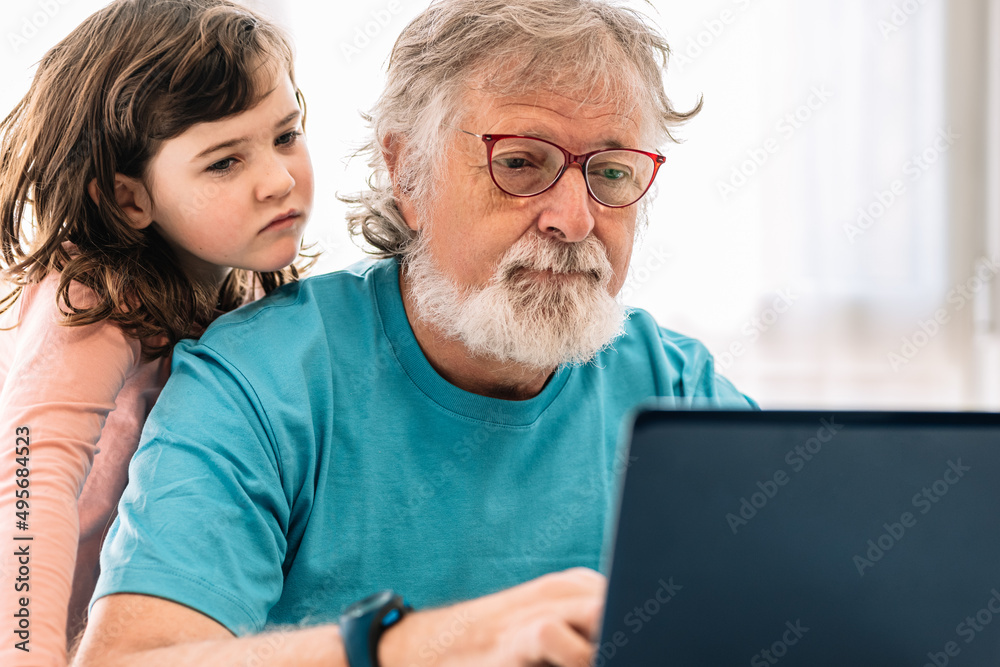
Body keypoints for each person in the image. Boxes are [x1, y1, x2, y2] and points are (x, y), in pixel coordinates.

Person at [75, 1, 754, 665]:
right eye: (520, 164)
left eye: (610, 172)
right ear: (407, 172)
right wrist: (407, 646)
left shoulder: (676, 387)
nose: (573, 220)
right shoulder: (259, 380)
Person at [0, 1, 314, 664]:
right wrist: (27, 651)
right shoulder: (92, 301)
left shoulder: (250, 294)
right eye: (225, 162)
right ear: (128, 198)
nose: (279, 179)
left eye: (286, 135)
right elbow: (33, 477)